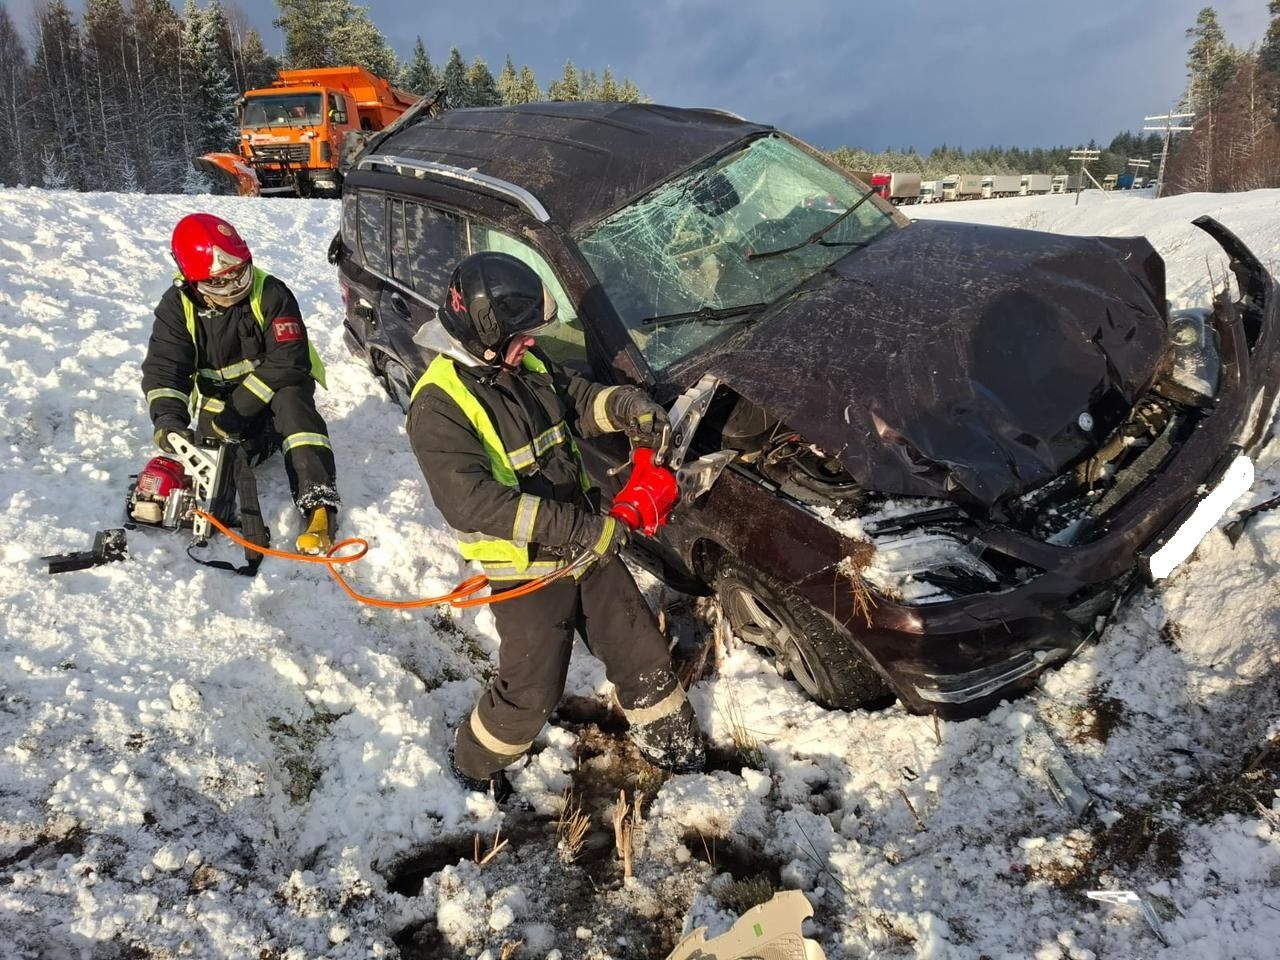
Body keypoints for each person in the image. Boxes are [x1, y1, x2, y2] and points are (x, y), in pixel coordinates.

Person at [407, 251, 704, 796]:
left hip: (588, 546)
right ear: (485, 333)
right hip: (529, 572)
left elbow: (578, 400)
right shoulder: (438, 406)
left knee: (643, 654)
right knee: (530, 696)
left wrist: (626, 406)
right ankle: (471, 766)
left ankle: (677, 750)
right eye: (523, 335)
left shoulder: (522, 365)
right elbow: (475, 503)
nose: (534, 345)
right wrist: (584, 530)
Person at [141, 213, 339, 554]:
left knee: (293, 409)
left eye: (239, 274)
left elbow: (288, 362)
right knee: (219, 458)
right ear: (192, 281)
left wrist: (234, 414)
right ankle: (261, 444)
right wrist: (169, 421)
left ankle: (319, 503)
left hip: (279, 390)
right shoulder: (176, 308)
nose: (234, 286)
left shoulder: (271, 293)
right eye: (220, 282)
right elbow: (165, 370)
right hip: (223, 402)